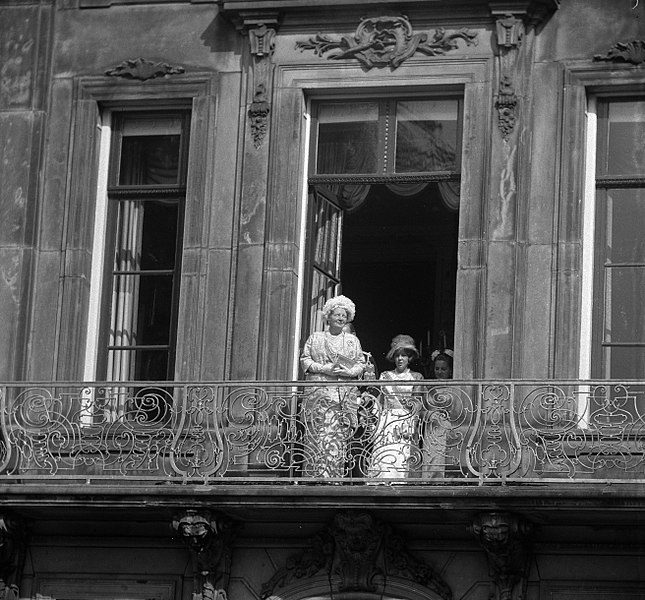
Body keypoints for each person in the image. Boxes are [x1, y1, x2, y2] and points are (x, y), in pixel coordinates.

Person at [300, 295, 366, 477]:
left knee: (337, 436)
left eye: (344, 316)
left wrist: (349, 372)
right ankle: (315, 477)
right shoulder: (316, 338)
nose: (340, 318)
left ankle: (333, 478)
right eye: (337, 315)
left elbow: (361, 363)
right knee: (319, 435)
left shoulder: (352, 341)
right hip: (319, 396)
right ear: (328, 316)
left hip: (342, 397)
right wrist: (324, 368)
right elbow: (305, 360)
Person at [369, 334, 423, 479]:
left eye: (404, 355)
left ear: (409, 358)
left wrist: (411, 423)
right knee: (385, 456)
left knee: (401, 456)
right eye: (397, 355)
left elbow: (417, 403)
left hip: (406, 421)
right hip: (387, 421)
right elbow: (379, 401)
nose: (400, 359)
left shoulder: (416, 377)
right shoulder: (385, 375)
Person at [421, 348, 455, 479]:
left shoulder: (454, 387)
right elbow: (420, 409)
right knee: (431, 460)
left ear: (450, 370)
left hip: (447, 427)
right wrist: (427, 414)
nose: (439, 372)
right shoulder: (428, 387)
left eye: (443, 369)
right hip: (431, 428)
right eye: (437, 369)